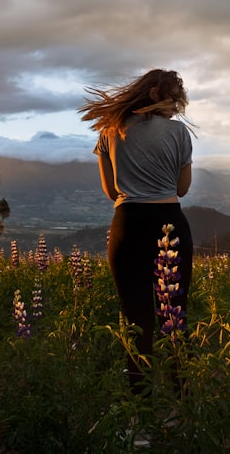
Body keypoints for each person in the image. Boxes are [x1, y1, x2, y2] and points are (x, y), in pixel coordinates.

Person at [79, 68, 194, 396]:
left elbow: (111, 190)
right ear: (157, 93)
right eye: (175, 99)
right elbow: (182, 189)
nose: (177, 108)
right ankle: (180, 408)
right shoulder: (180, 133)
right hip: (170, 224)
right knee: (175, 319)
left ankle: (141, 418)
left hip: (128, 224)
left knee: (136, 323)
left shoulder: (109, 130)